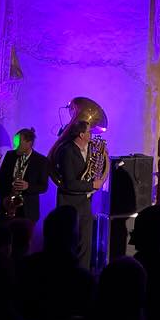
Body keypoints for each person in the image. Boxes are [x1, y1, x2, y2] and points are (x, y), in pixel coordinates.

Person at [48, 98, 110, 266]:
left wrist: (103, 161)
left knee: (85, 245)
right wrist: (92, 185)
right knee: (68, 244)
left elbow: (95, 170)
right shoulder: (67, 151)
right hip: (70, 204)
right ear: (81, 134)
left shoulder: (88, 149)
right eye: (89, 132)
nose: (92, 135)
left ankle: (82, 275)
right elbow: (69, 183)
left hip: (84, 203)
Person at [0, 127, 50, 226]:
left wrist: (28, 186)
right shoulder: (10, 155)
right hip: (7, 207)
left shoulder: (41, 161)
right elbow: (1, 179)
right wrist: (4, 199)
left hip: (27, 211)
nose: (15, 146)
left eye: (19, 143)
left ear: (29, 143)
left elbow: (43, 187)